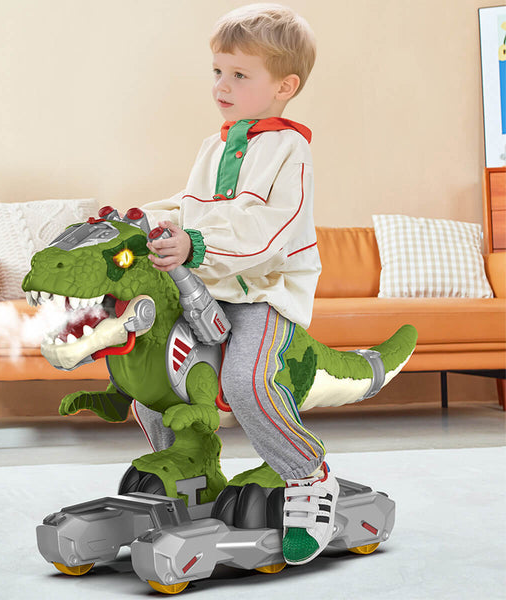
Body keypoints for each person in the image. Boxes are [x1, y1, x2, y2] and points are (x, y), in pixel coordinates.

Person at [139, 3, 338, 566]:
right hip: (209, 287)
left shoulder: (291, 150)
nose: (221, 86)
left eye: (239, 75)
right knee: (155, 374)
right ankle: (190, 463)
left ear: (284, 86)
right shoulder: (216, 144)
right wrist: (142, 218)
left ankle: (307, 475)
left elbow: (267, 231)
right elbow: (190, 206)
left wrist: (196, 245)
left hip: (263, 292)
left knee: (245, 381)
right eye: (217, 72)